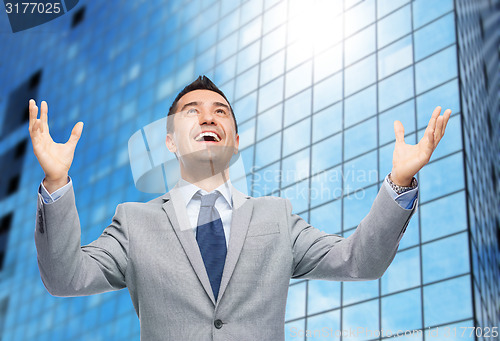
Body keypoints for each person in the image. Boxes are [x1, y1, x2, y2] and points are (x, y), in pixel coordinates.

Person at [30, 76, 451, 340]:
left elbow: (359, 262)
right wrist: (55, 183)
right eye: (191, 113)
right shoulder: (133, 222)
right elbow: (65, 278)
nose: (208, 118)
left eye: (221, 113)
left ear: (235, 140)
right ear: (170, 141)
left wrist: (398, 183)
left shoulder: (277, 218)